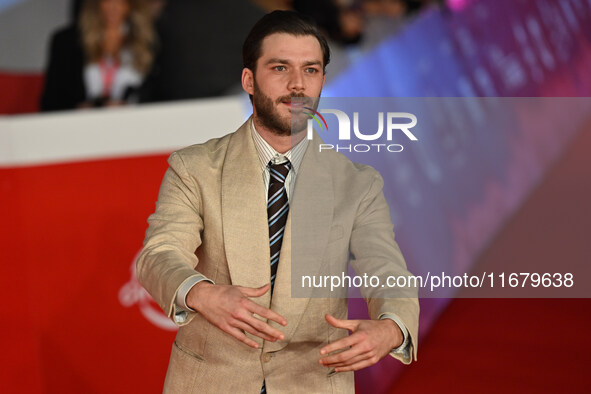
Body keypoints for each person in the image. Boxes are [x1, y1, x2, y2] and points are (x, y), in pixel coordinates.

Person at [137, 10, 418, 393]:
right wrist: (201, 293)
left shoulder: (358, 184)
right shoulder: (195, 168)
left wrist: (391, 326)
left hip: (314, 381)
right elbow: (159, 255)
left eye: (311, 70)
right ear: (249, 80)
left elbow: (386, 269)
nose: (298, 85)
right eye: (281, 68)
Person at [40, 0, 155, 111]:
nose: (113, 7)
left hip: (134, 124)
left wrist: (129, 106)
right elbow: (51, 100)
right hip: (79, 124)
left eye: (121, 1)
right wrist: (78, 108)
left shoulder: (147, 41)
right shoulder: (67, 41)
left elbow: (157, 96)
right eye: (107, 1)